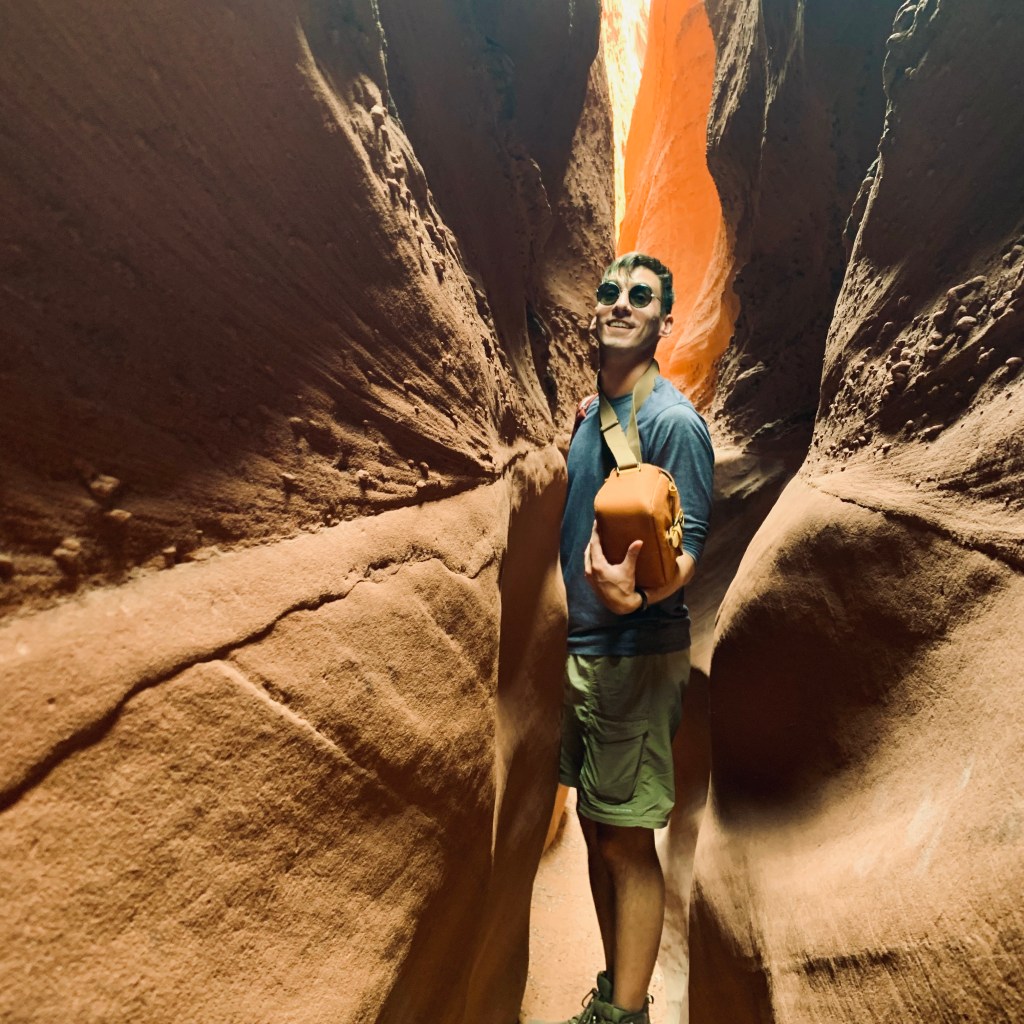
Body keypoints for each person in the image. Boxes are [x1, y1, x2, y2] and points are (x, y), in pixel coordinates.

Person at [549, 252, 714, 1024]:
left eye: (640, 296)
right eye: (611, 291)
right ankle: (615, 991)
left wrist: (642, 593)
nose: (621, 302)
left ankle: (625, 1017)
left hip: (637, 656)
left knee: (625, 840)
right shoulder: (591, 415)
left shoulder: (674, 423)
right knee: (596, 827)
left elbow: (691, 544)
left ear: (663, 323)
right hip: (585, 650)